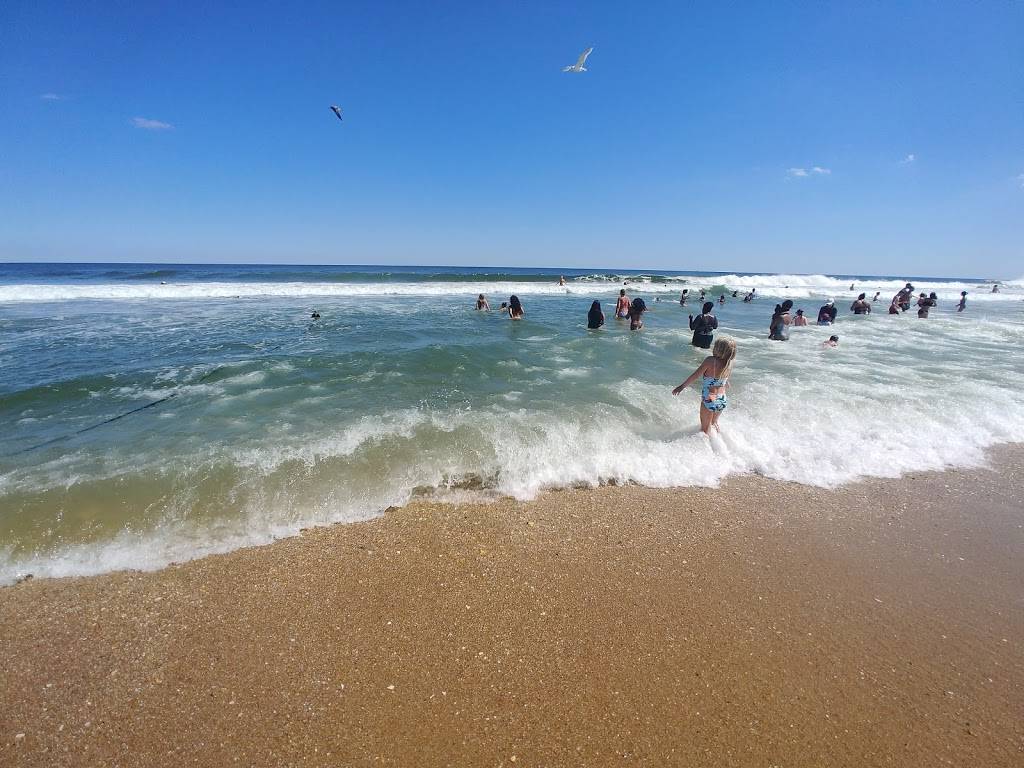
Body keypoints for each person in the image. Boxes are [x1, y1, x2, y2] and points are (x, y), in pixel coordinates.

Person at [671, 337, 737, 435]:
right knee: (714, 424)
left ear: (718, 349)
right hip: (722, 398)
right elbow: (725, 381)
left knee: (705, 430)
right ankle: (721, 444)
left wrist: (681, 386)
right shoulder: (730, 363)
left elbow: (695, 375)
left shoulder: (710, 361)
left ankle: (708, 449)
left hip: (711, 397)